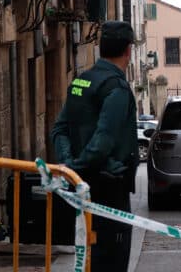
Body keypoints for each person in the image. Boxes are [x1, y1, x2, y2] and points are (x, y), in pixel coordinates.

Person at [51, 20, 138, 271]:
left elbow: (59, 129)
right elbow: (103, 141)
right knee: (111, 260)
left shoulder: (81, 81)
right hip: (109, 190)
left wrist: (69, 167)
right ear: (128, 50)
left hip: (81, 190)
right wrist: (76, 166)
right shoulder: (117, 89)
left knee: (90, 257)